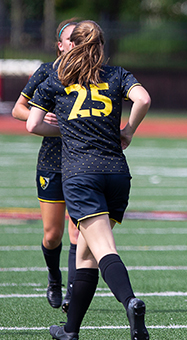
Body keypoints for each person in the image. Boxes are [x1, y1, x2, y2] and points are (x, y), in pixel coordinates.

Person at [26, 20, 151, 340]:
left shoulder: (58, 77)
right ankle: (70, 330)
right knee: (86, 255)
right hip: (117, 173)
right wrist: (128, 130)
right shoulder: (117, 74)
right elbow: (144, 100)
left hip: (82, 174)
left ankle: (130, 300)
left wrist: (67, 130)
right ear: (100, 46)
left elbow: (32, 124)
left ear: (73, 45)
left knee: (104, 249)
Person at [11, 18, 79, 312]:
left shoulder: (98, 74)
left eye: (82, 38)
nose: (76, 44)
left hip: (86, 160)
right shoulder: (47, 72)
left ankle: (73, 294)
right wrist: (39, 118)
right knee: (53, 235)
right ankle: (54, 277)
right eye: (71, 39)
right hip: (52, 160)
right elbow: (18, 109)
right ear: (60, 45)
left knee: (79, 234)